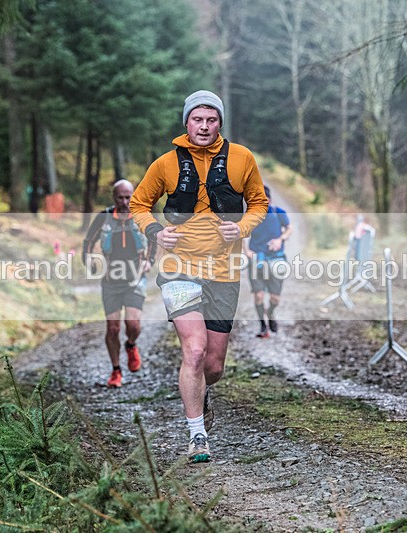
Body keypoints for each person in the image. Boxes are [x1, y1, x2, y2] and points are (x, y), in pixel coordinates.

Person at [130, 90, 267, 463]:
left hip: (223, 271)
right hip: (178, 269)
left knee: (213, 365)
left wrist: (242, 229)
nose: (204, 127)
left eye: (211, 120)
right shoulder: (164, 164)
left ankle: (202, 390)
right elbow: (139, 204)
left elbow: (258, 204)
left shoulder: (242, 159)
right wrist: (156, 232)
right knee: (193, 349)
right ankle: (197, 436)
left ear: (219, 122)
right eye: (197, 119)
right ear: (186, 122)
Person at [82, 180, 157, 388]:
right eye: (120, 197)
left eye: (128, 197)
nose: (124, 202)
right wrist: (88, 260)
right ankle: (116, 371)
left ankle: (131, 345)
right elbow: (88, 241)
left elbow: (153, 239)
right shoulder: (105, 217)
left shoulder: (142, 215)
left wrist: (149, 262)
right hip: (110, 279)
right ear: (113, 198)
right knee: (113, 328)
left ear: (134, 196)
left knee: (132, 324)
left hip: (135, 278)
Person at [243, 185, 293, 338]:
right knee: (258, 295)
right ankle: (262, 326)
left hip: (276, 260)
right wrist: (247, 252)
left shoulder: (279, 213)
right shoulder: (250, 215)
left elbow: (290, 228)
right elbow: (241, 233)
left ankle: (270, 312)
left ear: (269, 200)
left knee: (275, 298)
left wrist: (280, 239)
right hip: (256, 260)